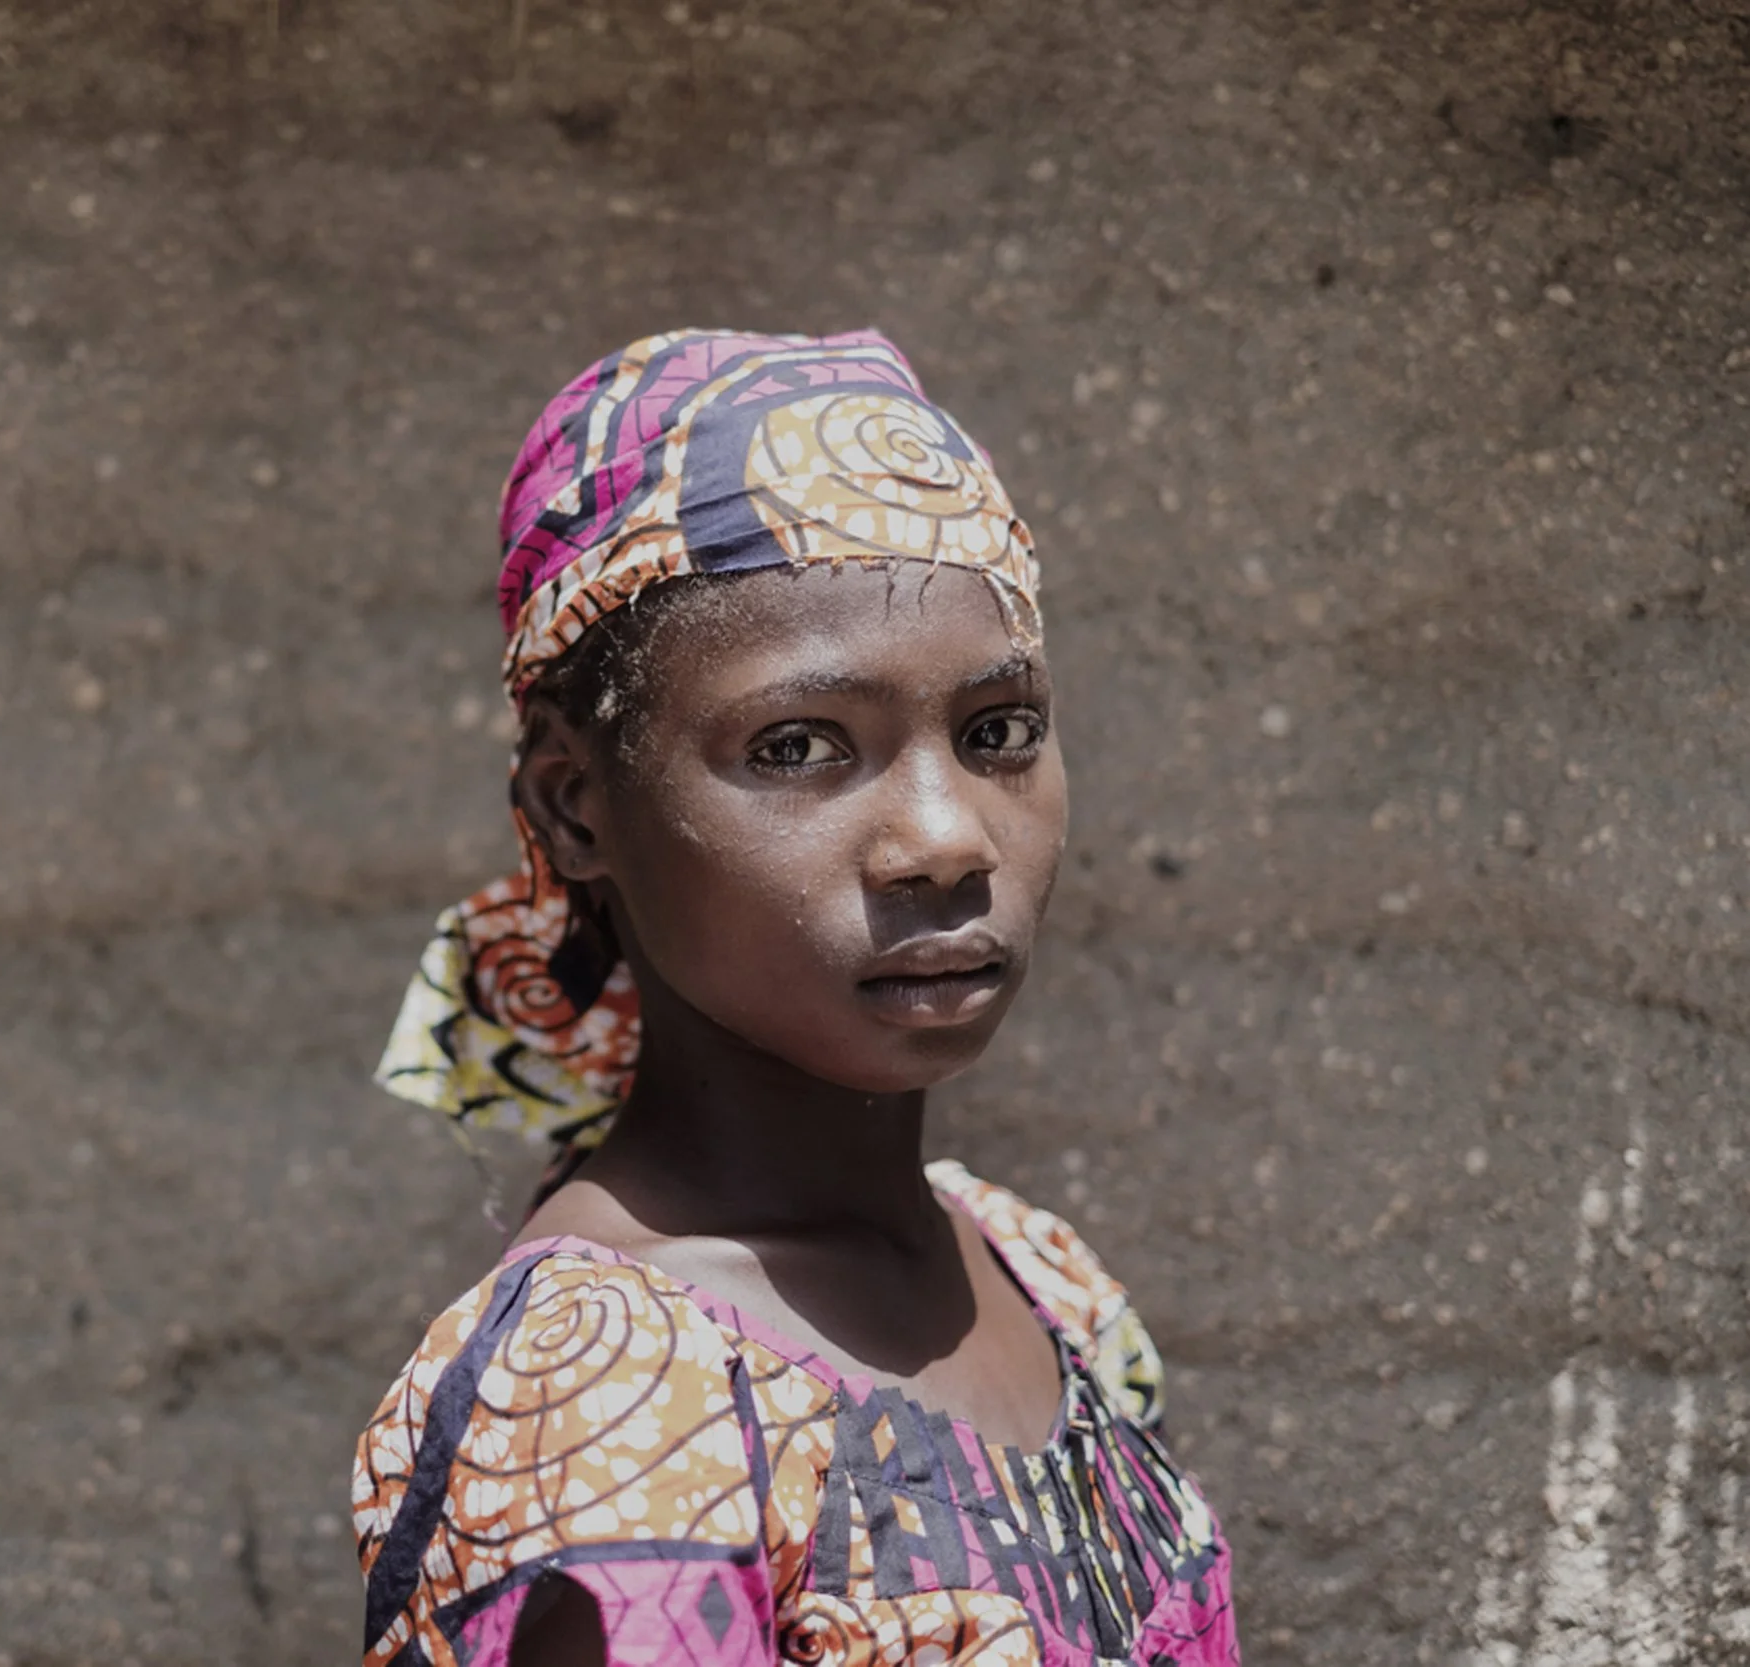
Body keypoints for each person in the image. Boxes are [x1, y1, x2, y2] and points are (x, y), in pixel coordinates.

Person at [352, 329, 1235, 1667]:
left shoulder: (1042, 1279)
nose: (945, 837)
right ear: (574, 806)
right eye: (800, 746)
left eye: (999, 731)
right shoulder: (608, 1396)